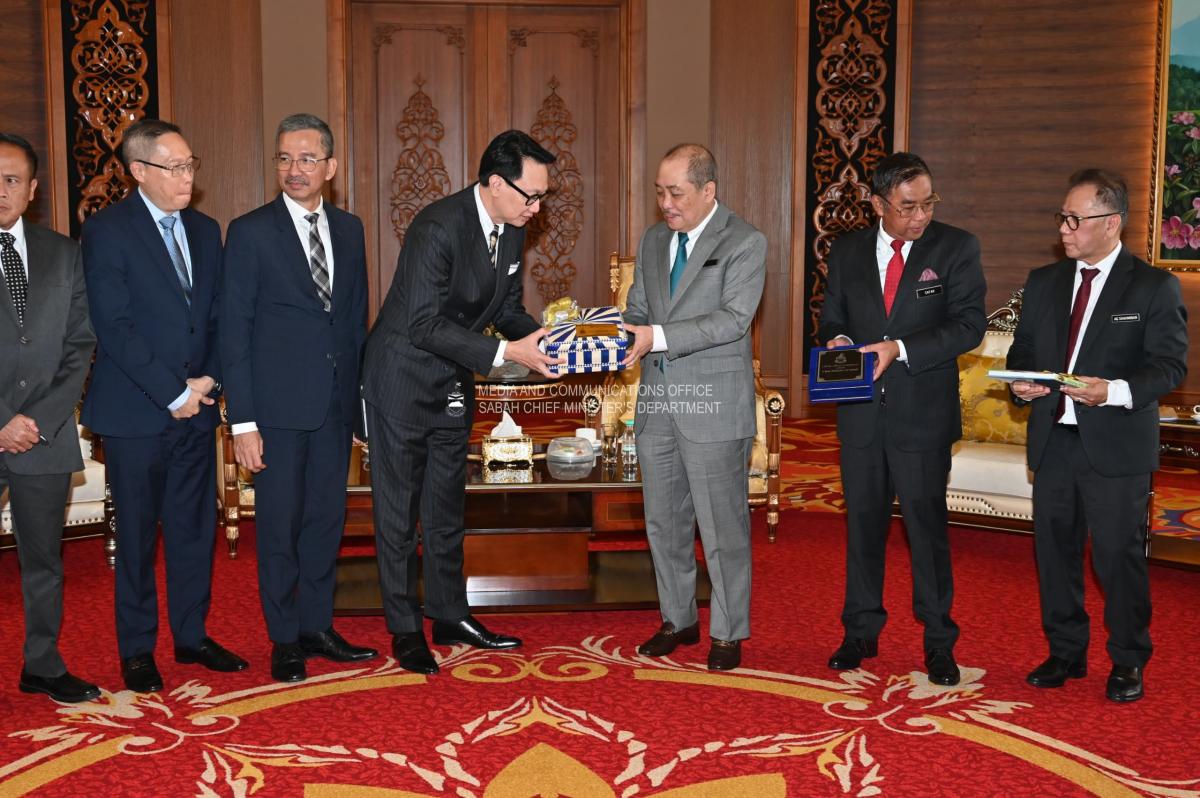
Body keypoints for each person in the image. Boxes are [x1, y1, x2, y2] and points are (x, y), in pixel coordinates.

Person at [361, 129, 562, 674]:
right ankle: (405, 629)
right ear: (495, 183)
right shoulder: (437, 227)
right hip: (401, 379)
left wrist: (545, 339)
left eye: (543, 197)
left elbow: (508, 308)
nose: (537, 208)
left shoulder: (513, 230)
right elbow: (423, 324)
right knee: (399, 515)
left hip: (452, 380)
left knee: (446, 508)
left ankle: (449, 614)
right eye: (531, 196)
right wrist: (506, 352)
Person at [1007, 169, 1188, 703]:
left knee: (1116, 557)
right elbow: (1024, 349)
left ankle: (1129, 658)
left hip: (1116, 444)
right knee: (1054, 553)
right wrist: (1022, 383)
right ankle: (1066, 652)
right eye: (1062, 218)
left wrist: (1112, 392)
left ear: (1111, 223)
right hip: (1054, 439)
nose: (1064, 229)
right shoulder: (1044, 281)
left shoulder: (1153, 286)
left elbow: (1169, 366)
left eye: (1075, 219)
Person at [81, 119, 247, 692]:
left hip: (197, 408)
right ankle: (136, 650)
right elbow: (115, 326)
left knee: (193, 530)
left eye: (190, 165)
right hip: (136, 413)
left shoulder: (205, 228)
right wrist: (174, 393)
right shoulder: (107, 231)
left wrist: (208, 382)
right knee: (136, 538)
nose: (187, 177)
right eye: (174, 168)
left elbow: (220, 316)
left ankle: (191, 636)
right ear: (139, 171)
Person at [817, 151, 986, 686]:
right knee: (863, 529)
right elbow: (832, 318)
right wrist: (838, 340)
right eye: (908, 206)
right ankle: (860, 631)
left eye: (928, 203)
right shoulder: (846, 251)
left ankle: (939, 642)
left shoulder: (956, 247)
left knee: (926, 533)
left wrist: (900, 348)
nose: (921, 215)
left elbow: (970, 326)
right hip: (861, 416)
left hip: (922, 417)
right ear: (877, 204)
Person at [221, 114, 376, 683]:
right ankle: (284, 638)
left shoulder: (351, 229)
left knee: (324, 523)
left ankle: (317, 626)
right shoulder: (250, 232)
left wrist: (359, 409)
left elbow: (354, 323)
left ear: (330, 167)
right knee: (279, 528)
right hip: (276, 413)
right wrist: (243, 422)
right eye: (285, 158)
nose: (295, 169)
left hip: (333, 409)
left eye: (308, 159)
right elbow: (233, 331)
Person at [622, 144, 767, 671]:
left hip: (713, 405)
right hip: (658, 401)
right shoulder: (653, 240)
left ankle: (728, 632)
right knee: (664, 522)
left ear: (708, 191)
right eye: (659, 192)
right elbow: (638, 308)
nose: (665, 203)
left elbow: (733, 320)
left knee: (721, 526)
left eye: (676, 193)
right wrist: (606, 336)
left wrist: (655, 336)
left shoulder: (745, 242)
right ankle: (677, 619)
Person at [0, 133, 99, 703]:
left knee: (44, 561)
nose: (1, 190)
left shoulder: (64, 252)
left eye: (12, 179)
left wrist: (36, 419)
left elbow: (80, 343)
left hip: (45, 434)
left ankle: (42, 665)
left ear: (32, 188)